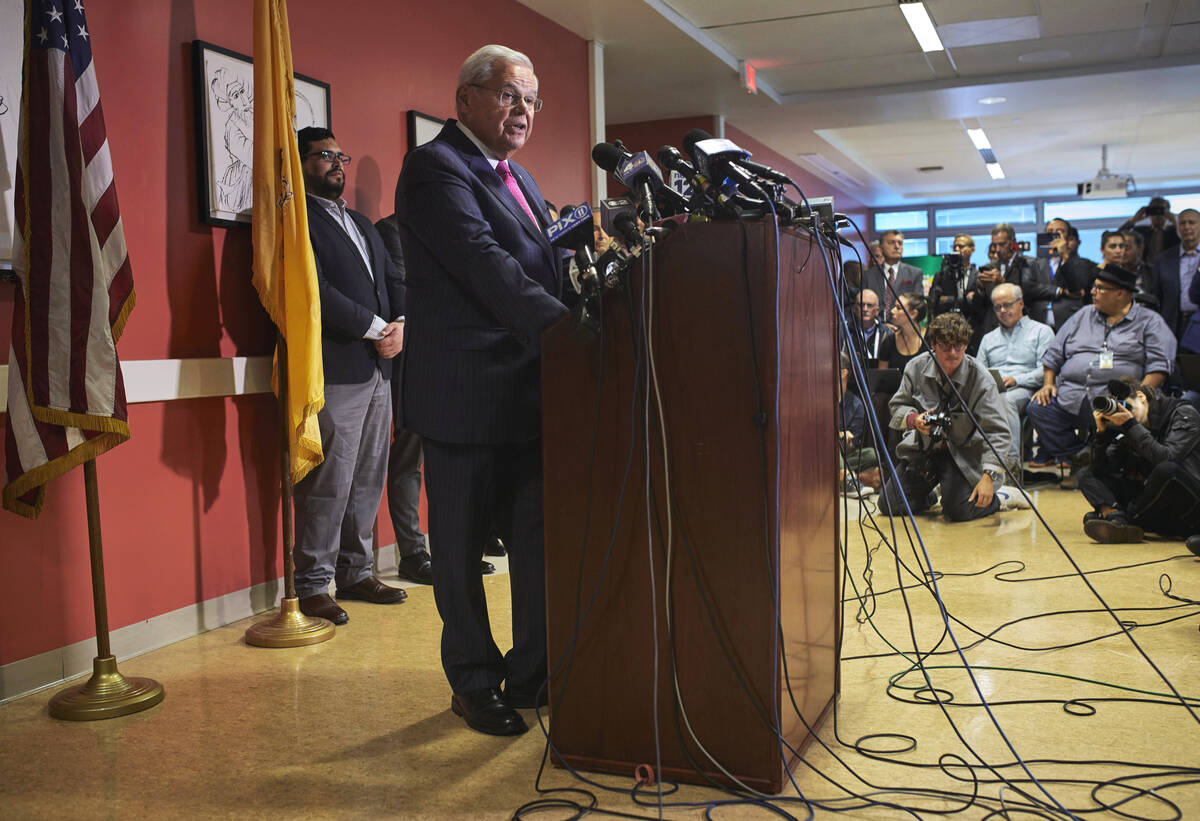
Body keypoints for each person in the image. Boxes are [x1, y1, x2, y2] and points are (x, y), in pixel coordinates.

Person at [395, 45, 568, 736]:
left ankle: (532, 671)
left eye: (531, 99)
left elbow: (540, 259)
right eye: (508, 94)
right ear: (465, 98)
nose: (522, 110)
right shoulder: (435, 168)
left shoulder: (518, 175)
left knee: (535, 541)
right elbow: (484, 264)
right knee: (461, 551)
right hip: (463, 392)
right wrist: (567, 330)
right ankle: (472, 679)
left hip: (527, 391)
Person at [293, 127, 409, 625]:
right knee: (330, 480)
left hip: (380, 366)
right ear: (299, 163)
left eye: (341, 155)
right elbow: (313, 291)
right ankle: (313, 582)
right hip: (336, 367)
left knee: (367, 478)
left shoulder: (362, 223)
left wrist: (400, 325)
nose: (337, 163)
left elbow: (391, 284)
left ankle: (356, 571)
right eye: (324, 156)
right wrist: (376, 326)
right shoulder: (296, 221)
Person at [374, 213, 496, 583]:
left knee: (453, 463)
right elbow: (406, 294)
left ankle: (454, 553)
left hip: (461, 358)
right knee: (409, 459)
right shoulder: (391, 230)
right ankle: (413, 553)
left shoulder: (456, 226)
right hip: (416, 362)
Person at [1027, 264, 1176, 481]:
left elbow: (1159, 366)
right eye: (1094, 287)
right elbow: (1053, 354)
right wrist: (1048, 383)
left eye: (1100, 288)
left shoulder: (1149, 321)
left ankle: (1109, 462)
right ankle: (1081, 455)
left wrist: (1140, 397)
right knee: (1039, 408)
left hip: (1121, 398)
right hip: (1073, 397)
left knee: (1135, 421)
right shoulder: (1083, 314)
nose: (1092, 292)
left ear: (1121, 293)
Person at [879, 312, 1011, 521]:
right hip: (924, 450)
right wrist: (914, 420)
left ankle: (998, 498)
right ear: (933, 344)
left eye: (959, 346)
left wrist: (989, 477)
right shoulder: (915, 367)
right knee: (889, 505)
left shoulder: (981, 378)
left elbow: (998, 431)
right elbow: (897, 405)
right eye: (945, 346)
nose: (952, 353)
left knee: (958, 512)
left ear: (966, 345)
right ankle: (930, 495)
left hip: (963, 454)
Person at [1077, 378, 1200, 543]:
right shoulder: (1127, 427)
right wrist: (1102, 436)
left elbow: (1167, 458)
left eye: (1128, 407)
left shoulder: (1183, 413)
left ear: (1141, 397)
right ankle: (1116, 518)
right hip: (1155, 505)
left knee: (1167, 471)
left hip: (1189, 504)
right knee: (1086, 474)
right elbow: (1101, 470)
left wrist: (1130, 425)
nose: (1126, 414)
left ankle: (1123, 520)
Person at [976, 284, 1055, 470]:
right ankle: (973, 466)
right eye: (997, 307)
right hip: (992, 389)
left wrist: (1016, 380)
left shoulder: (1041, 332)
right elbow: (978, 370)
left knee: (1006, 399)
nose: (1002, 311)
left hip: (1026, 389)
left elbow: (1045, 371)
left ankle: (1010, 465)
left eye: (1007, 305)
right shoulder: (989, 338)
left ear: (1021, 303)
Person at [973, 222, 1054, 335]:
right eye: (994, 245)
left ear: (1013, 242)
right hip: (994, 331)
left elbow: (1037, 298)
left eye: (1002, 244)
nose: (997, 249)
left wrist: (1003, 283)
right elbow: (979, 308)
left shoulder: (1030, 264)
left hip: (1023, 330)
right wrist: (980, 288)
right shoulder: (988, 268)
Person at [1151, 208, 1200, 349]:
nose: (1187, 227)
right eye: (1183, 223)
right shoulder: (1163, 259)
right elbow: (1157, 296)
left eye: (1192, 223)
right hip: (1172, 325)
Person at [862, 229, 924, 312]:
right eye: (891, 242)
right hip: (877, 323)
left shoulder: (915, 273)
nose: (897, 247)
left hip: (903, 323)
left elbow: (918, 305)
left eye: (900, 243)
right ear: (881, 248)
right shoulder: (868, 275)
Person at [1119, 196, 1180, 264]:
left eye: (1161, 211)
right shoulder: (1141, 231)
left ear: (1167, 213)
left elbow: (1186, 239)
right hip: (1146, 270)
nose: (1157, 215)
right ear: (1149, 213)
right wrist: (1133, 220)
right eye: (1153, 211)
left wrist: (1174, 221)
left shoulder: (1175, 231)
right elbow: (1117, 237)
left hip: (1169, 268)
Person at [879, 293, 927, 372]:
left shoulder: (931, 339)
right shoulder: (889, 342)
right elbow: (881, 379)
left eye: (898, 308)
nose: (892, 311)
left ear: (913, 314)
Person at [853, 288, 892, 366]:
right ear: (855, 309)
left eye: (869, 305)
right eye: (861, 305)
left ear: (877, 310)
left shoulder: (887, 333)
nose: (865, 309)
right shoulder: (844, 331)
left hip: (878, 376)